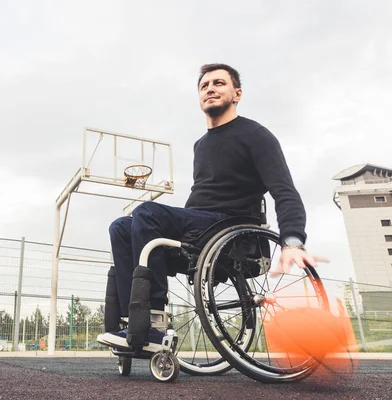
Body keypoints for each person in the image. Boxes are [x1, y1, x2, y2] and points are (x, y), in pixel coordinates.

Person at [97, 63, 321, 349]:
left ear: (237, 93)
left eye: (219, 83)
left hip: (232, 226)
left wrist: (292, 240)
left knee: (146, 211)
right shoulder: (200, 145)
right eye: (204, 86)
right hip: (199, 226)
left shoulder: (256, 135)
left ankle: (154, 322)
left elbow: (284, 190)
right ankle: (132, 323)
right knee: (121, 226)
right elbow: (203, 196)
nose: (210, 89)